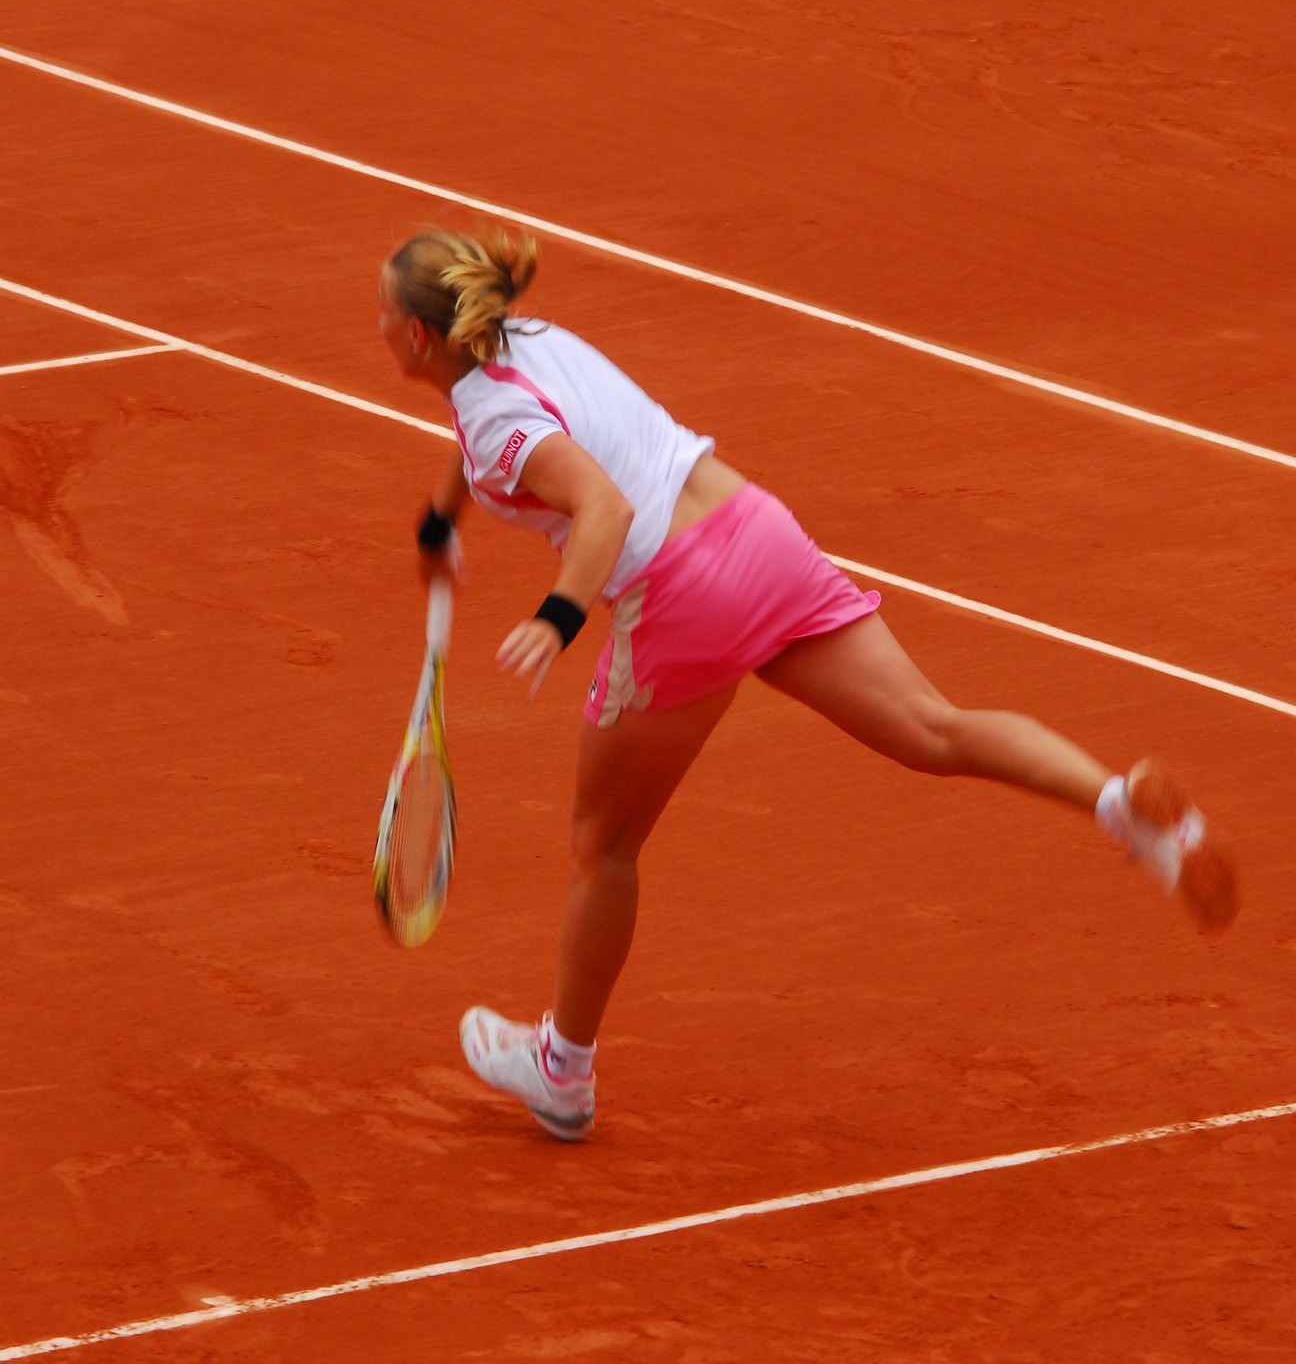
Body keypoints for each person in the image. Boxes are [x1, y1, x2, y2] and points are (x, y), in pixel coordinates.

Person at [379, 228, 1239, 1143]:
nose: (380, 329)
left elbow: (601, 506)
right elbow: (496, 437)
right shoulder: (521, 339)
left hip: (678, 594)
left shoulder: (492, 423)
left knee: (605, 844)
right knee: (933, 727)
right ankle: (1123, 808)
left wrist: (557, 618)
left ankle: (563, 1072)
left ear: (418, 338)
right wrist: (440, 518)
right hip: (757, 533)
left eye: (384, 315)